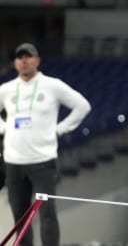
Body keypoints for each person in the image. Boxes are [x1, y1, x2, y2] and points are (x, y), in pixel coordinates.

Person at [0, 42, 92, 246]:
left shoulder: (53, 85)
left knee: (47, 214)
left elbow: (82, 106)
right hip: (13, 161)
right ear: (15, 63)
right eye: (19, 57)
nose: (24, 61)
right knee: (20, 217)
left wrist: (60, 129)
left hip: (42, 161)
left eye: (28, 56)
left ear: (37, 60)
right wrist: (3, 127)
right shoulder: (6, 89)